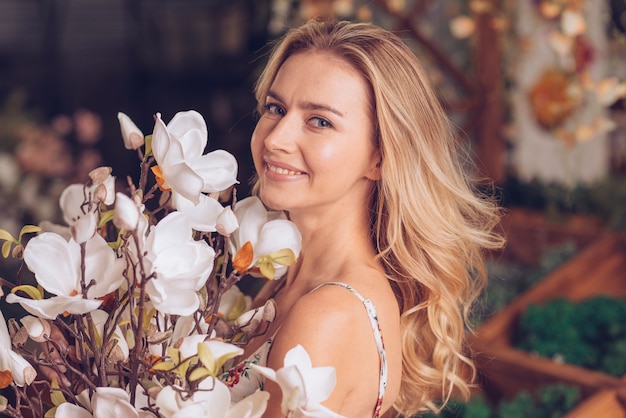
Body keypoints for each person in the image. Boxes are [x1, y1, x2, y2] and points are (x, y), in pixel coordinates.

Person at [224, 19, 505, 418]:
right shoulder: (286, 287)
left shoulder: (327, 315)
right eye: (275, 108)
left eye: (319, 121)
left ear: (378, 157)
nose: (275, 139)